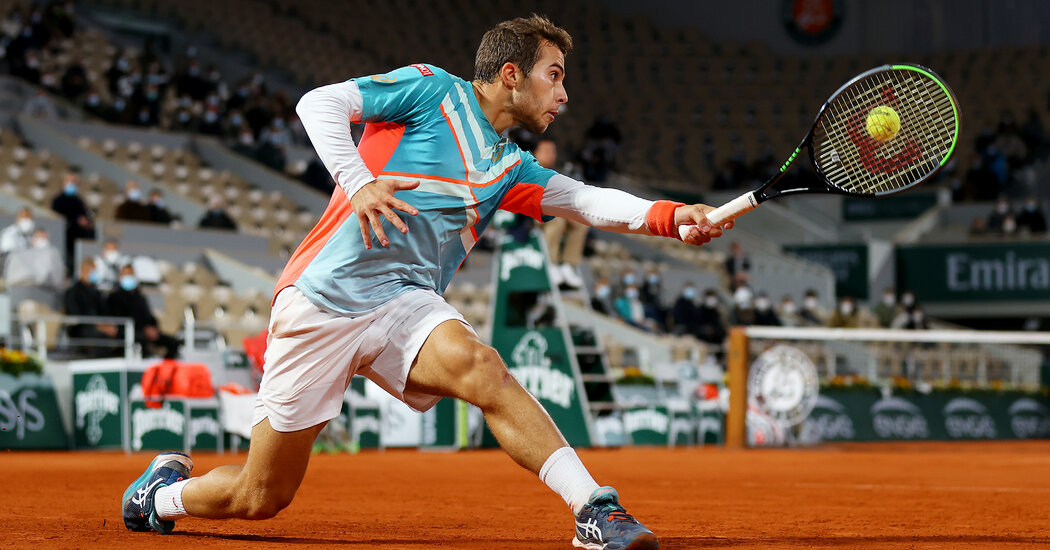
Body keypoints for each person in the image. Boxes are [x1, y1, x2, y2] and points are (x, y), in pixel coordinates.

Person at [121, 16, 731, 550]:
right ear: (512, 74)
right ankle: (161, 499)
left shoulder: (509, 165)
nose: (565, 94)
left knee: (482, 368)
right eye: (556, 74)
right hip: (322, 301)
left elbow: (587, 201)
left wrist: (672, 218)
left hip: (405, 304)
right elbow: (317, 104)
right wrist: (359, 182)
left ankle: (593, 510)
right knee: (261, 496)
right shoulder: (432, 90)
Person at [538, 139, 587, 289]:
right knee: (556, 220)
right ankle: (551, 264)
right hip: (530, 215)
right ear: (536, 152)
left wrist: (569, 214)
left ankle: (568, 264)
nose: (551, 155)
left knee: (581, 222)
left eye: (553, 152)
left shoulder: (555, 174)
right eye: (546, 151)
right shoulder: (528, 169)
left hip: (552, 212)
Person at [106, 264, 180, 359]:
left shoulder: (139, 297)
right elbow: (121, 318)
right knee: (142, 339)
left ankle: (166, 368)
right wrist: (144, 329)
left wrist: (153, 327)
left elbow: (148, 316)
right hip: (127, 332)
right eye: (126, 275)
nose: (128, 278)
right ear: (120, 277)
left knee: (173, 342)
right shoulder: (115, 297)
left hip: (145, 330)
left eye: (131, 275)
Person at [64, 257, 121, 357]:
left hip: (99, 328)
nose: (95, 274)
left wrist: (108, 325)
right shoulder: (73, 292)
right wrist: (98, 326)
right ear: (83, 271)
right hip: (81, 330)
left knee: (121, 333)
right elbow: (76, 315)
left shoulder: (96, 293)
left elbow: (105, 312)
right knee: (101, 338)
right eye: (92, 270)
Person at [50, 169, 95, 272]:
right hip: (66, 237)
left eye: (74, 182)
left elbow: (86, 216)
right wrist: (76, 220)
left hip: (80, 237)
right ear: (64, 182)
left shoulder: (79, 200)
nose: (72, 184)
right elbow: (57, 218)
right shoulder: (58, 200)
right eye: (69, 181)